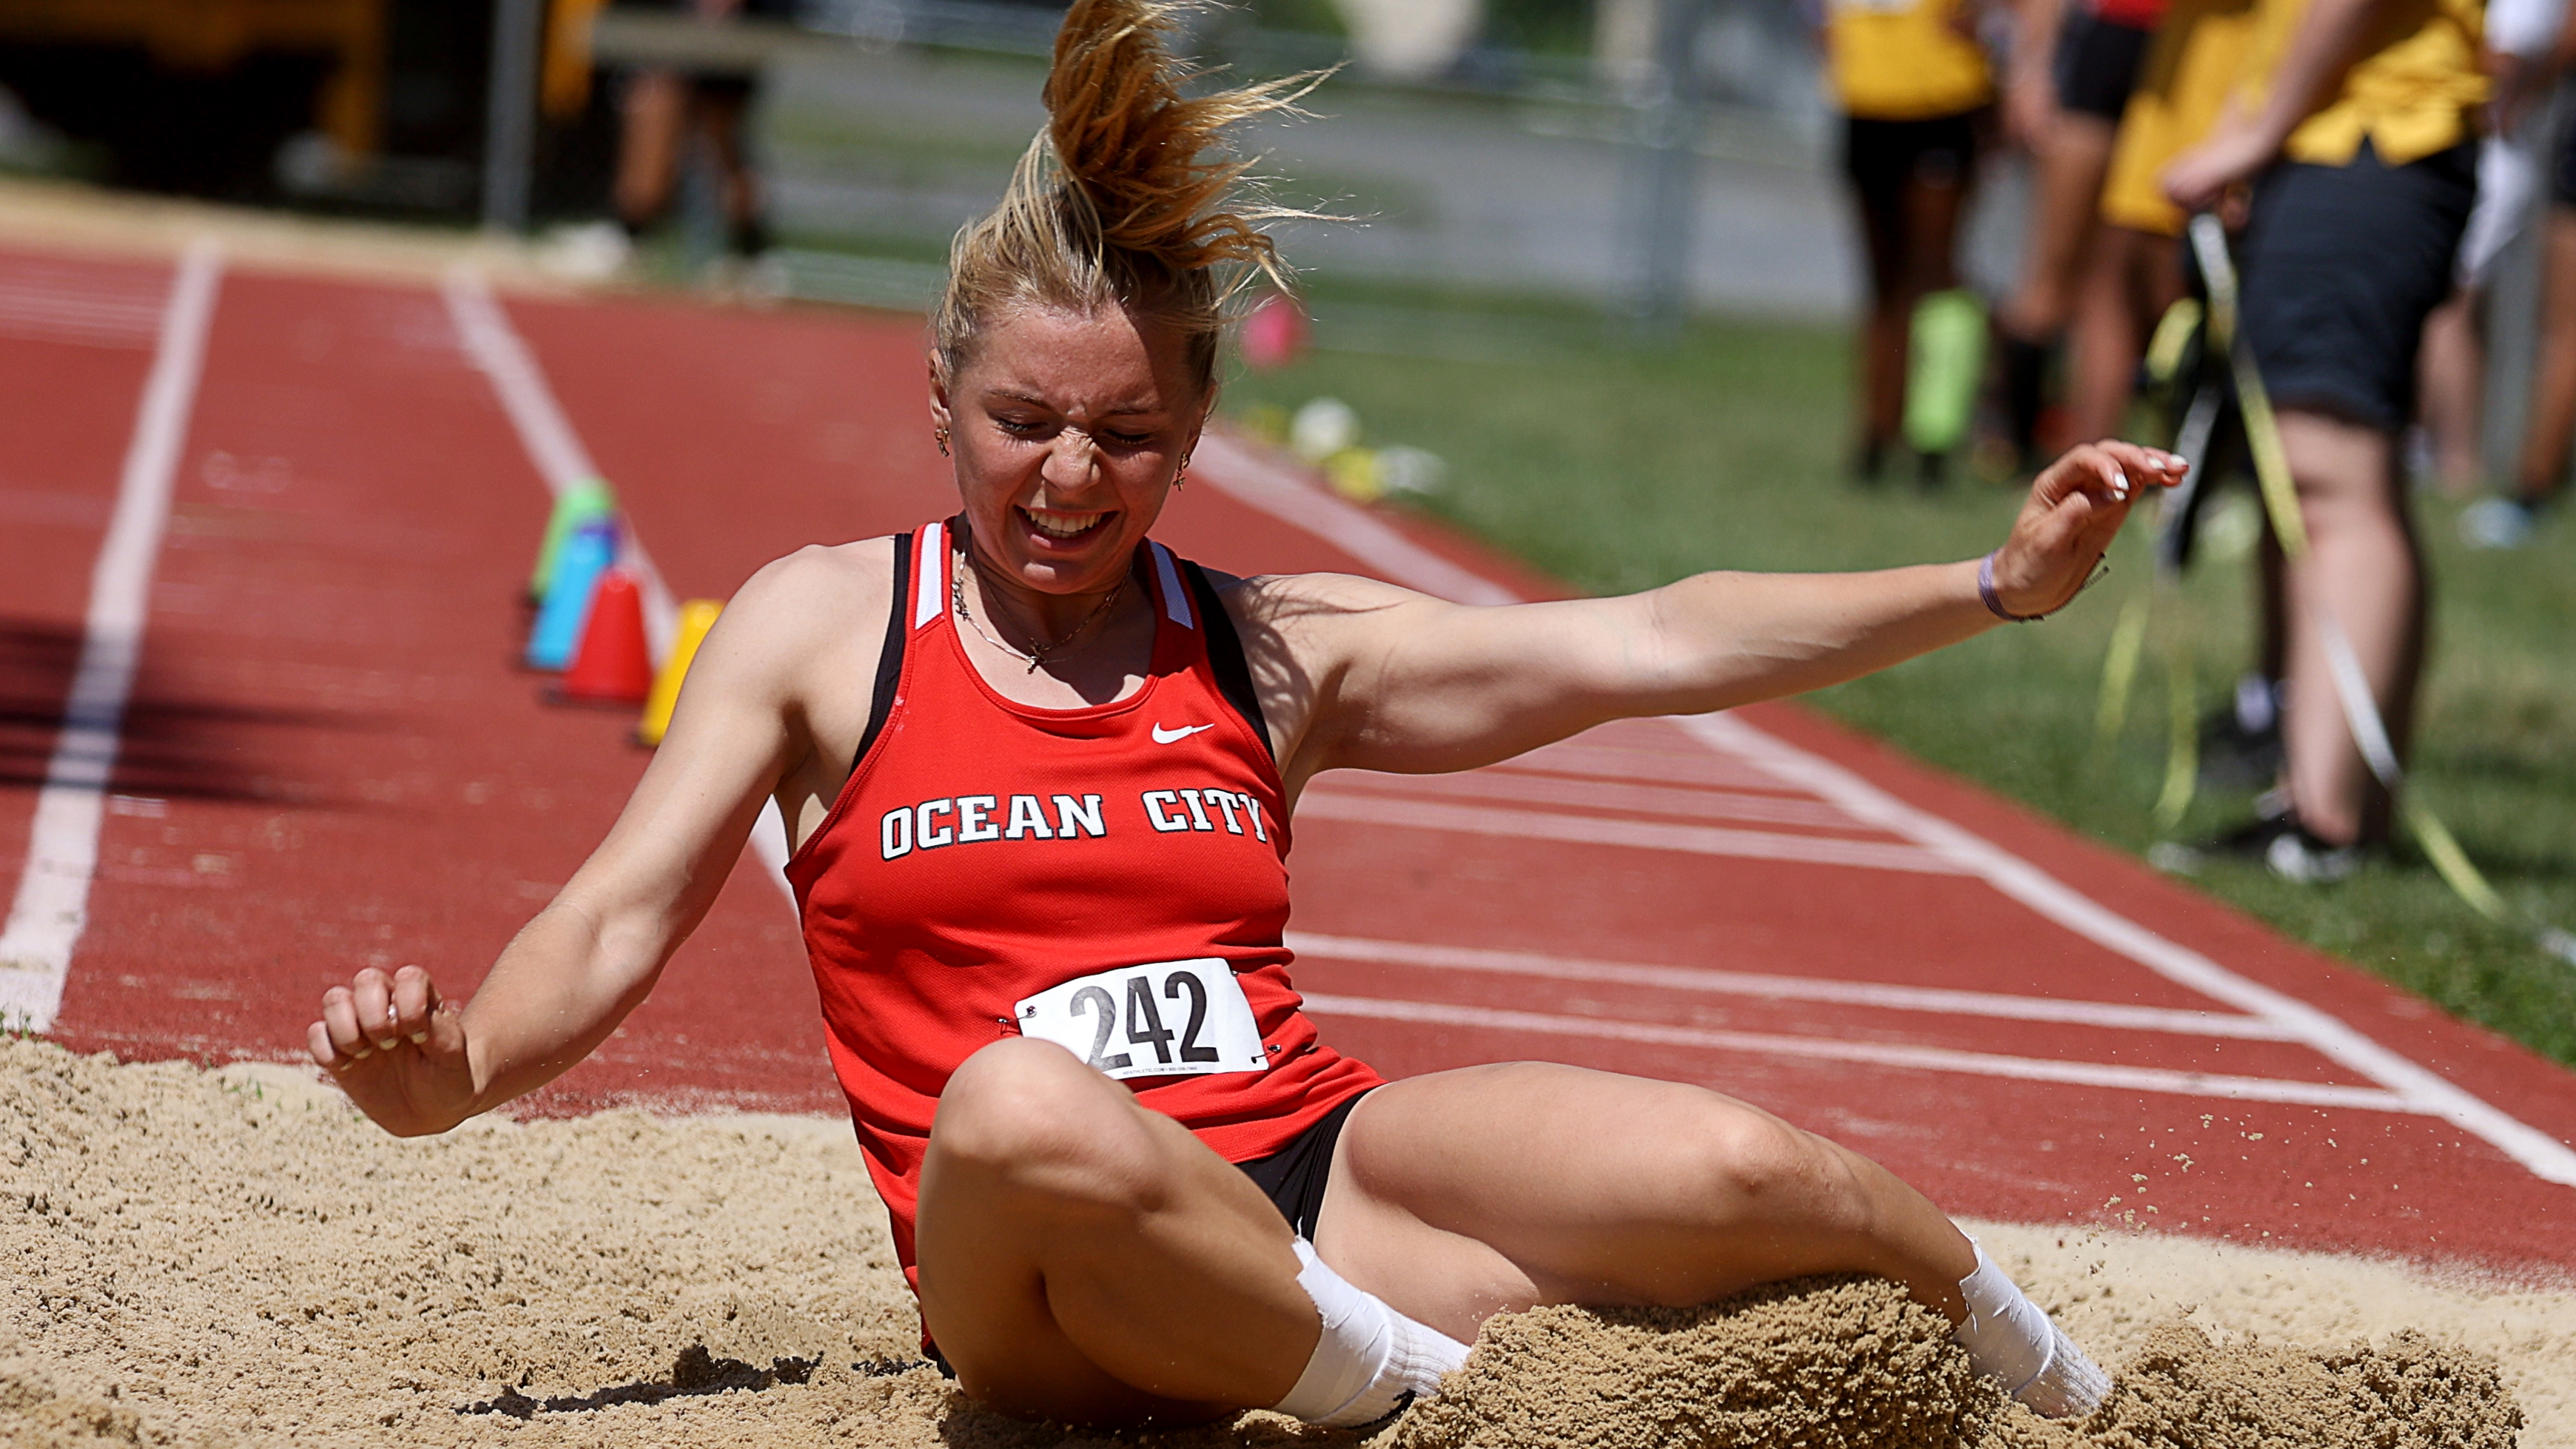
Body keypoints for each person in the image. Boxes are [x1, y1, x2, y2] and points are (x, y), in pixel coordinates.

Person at [309, 1, 2181, 1429]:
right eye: (1023, 422)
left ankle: (2092, 1403)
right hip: (1033, 1254)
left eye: (1125, 435)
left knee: (1749, 1173)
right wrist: (459, 1066)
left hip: (1311, 1177)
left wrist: (1988, 585)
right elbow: (627, 908)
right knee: (1018, 1097)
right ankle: (1409, 1393)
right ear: (939, 401)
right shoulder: (823, 627)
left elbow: (1650, 640)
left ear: (1194, 433)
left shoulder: (1270, 648)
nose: (1066, 474)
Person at [2165, 0, 2486, 872]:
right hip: (2346, 144)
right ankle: (2340, 806)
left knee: (2331, 478)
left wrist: (2258, 130)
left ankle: (2325, 817)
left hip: (2373, 144)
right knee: (2330, 481)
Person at [1823, 0, 2000, 485]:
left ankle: (1935, 435)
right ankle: (1875, 433)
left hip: (1943, 98)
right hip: (1864, 97)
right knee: (1881, 281)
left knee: (1934, 274)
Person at [1988, 0, 2170, 468]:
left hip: (2185, 55)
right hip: (2103, 43)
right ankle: (2022, 449)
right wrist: (2029, 73)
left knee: (2141, 287)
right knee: (2053, 281)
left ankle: (2111, 459)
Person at [610, 0, 785, 261]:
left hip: (722, 32)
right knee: (657, 111)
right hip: (676, 27)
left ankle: (751, 254)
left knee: (720, 139)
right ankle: (630, 239)